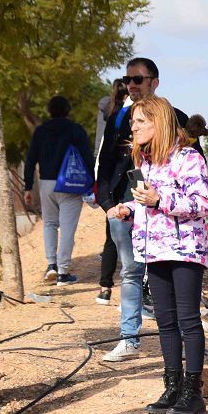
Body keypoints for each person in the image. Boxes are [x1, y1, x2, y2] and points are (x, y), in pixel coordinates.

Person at [108, 96, 208, 414]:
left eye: (140, 121)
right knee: (165, 322)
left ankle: (193, 393)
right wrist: (129, 209)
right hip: (154, 251)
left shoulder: (189, 158)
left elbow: (202, 203)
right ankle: (172, 387)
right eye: (133, 122)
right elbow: (147, 205)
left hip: (184, 251)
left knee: (188, 320)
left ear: (159, 122)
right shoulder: (147, 163)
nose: (134, 127)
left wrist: (159, 198)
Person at [96, 57, 198, 363]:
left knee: (163, 284)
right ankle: (130, 338)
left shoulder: (174, 118)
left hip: (166, 222)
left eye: (138, 79)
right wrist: (108, 203)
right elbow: (105, 163)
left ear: (154, 82)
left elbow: (194, 175)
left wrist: (162, 200)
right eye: (128, 80)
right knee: (129, 272)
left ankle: (184, 359)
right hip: (125, 211)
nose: (131, 85)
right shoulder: (120, 117)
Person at [23, 95, 95, 286]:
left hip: (46, 182)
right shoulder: (76, 129)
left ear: (49, 111)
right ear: (68, 111)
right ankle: (63, 273)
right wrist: (91, 184)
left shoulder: (40, 131)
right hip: (70, 184)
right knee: (68, 229)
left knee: (49, 224)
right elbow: (88, 157)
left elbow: (30, 159)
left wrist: (28, 187)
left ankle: (51, 265)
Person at [94, 80, 128, 306]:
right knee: (132, 239)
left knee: (111, 238)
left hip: (110, 184)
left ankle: (105, 288)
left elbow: (101, 149)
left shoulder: (107, 112)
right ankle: (136, 290)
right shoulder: (123, 116)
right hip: (126, 183)